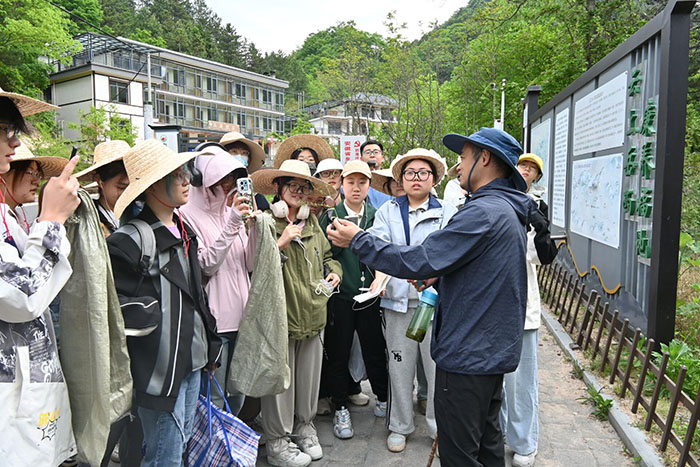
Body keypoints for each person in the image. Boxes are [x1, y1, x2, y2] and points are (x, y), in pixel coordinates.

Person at [326, 127, 532, 467]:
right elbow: (472, 267)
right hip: (486, 349)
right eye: (409, 173)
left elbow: (421, 259)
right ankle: (399, 424)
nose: (459, 165)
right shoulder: (501, 209)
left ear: (484, 159)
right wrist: (441, 274)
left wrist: (358, 240)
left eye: (463, 157)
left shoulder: (481, 212)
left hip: (469, 352)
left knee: (460, 453)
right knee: (486, 445)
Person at [107, 139, 222, 467]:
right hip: (158, 371)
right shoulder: (128, 241)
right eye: (177, 175)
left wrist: (210, 345)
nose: (187, 180)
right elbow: (114, 311)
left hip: (192, 361)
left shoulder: (184, 230)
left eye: (185, 172)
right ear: (153, 185)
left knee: (179, 446)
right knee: (164, 455)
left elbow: (197, 295)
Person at [0, 89, 81, 466]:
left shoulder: (9, 218)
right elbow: (21, 296)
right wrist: (52, 220)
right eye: (6, 131)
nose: (14, 143)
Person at [250, 159, 342, 467]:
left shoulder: (312, 222)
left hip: (314, 312)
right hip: (281, 317)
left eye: (305, 187)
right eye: (292, 186)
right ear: (278, 189)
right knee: (280, 383)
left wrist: (335, 271)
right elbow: (254, 269)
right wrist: (280, 243)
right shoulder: (264, 222)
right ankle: (277, 440)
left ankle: (305, 427)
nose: (299, 192)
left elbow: (328, 256)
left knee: (308, 379)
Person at [365, 148, 455, 453]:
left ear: (434, 178)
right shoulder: (387, 211)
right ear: (401, 178)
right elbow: (378, 249)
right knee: (399, 367)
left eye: (423, 173)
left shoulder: (447, 212)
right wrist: (381, 278)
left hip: (434, 303)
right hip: (398, 303)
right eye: (410, 173)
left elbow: (451, 253)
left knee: (436, 369)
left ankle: (439, 428)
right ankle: (400, 425)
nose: (416, 178)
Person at [180, 147, 257, 415]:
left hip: (243, 319)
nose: (228, 185)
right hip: (216, 324)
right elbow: (205, 265)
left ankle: (231, 442)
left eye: (232, 179)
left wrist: (253, 229)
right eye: (222, 179)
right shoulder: (186, 215)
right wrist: (234, 222)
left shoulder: (230, 211)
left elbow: (249, 264)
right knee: (214, 400)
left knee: (237, 395)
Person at [318, 160, 389, 440]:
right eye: (350, 182)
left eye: (362, 182)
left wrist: (380, 279)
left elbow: (385, 251)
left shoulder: (377, 216)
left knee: (375, 349)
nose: (356, 188)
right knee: (339, 352)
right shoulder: (331, 216)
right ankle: (340, 406)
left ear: (370, 185)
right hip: (341, 297)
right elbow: (324, 254)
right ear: (341, 184)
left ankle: (383, 398)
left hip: (370, 296)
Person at [500, 153, 558, 467]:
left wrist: (536, 227)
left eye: (531, 169)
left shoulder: (536, 206)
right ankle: (497, 433)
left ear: (537, 177)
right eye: (522, 166)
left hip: (522, 303)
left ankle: (524, 441)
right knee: (493, 379)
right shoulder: (493, 198)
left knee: (521, 381)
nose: (525, 171)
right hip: (490, 306)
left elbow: (539, 256)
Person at [75, 140, 130, 236]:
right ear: (99, 180)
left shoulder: (140, 211)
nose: (127, 193)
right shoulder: (87, 218)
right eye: (121, 187)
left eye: (131, 187)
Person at [219, 131, 270, 211]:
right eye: (234, 151)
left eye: (244, 153)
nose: (239, 156)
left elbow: (264, 210)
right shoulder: (212, 187)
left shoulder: (251, 188)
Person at [360, 140, 392, 208]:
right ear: (361, 159)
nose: (372, 155)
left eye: (376, 152)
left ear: (382, 158)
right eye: (367, 152)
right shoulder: (355, 181)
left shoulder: (391, 180)